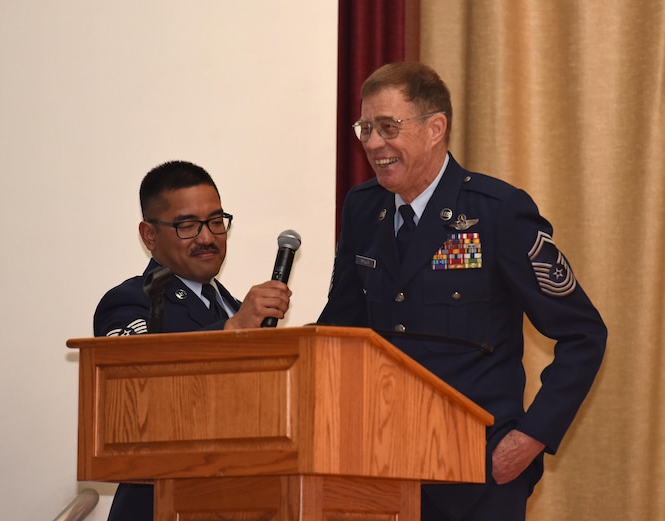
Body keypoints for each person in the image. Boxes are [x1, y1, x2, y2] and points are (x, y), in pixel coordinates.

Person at [317, 61, 606, 521]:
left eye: (388, 127)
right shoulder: (362, 207)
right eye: (366, 128)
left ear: (435, 128)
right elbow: (341, 326)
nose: (373, 143)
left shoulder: (498, 211)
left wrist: (530, 438)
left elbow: (583, 334)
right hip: (380, 468)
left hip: (477, 476)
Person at [94, 160, 292, 521]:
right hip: (161, 507)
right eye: (188, 226)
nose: (207, 238)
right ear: (149, 235)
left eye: (216, 222)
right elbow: (138, 378)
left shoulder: (227, 305)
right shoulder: (132, 301)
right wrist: (232, 330)